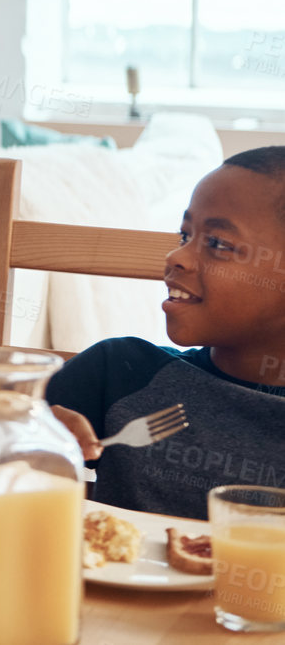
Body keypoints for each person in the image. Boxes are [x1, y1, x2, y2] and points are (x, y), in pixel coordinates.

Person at [47, 148, 285, 520]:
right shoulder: (120, 372)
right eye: (185, 234)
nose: (177, 257)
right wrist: (25, 437)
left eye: (218, 244)